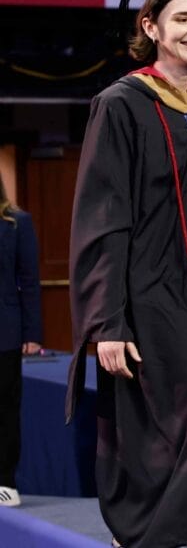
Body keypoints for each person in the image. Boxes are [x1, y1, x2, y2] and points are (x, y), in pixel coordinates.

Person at [66, 0, 187, 548]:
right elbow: (102, 217)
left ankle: (152, 536)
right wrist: (106, 320)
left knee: (167, 433)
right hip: (148, 293)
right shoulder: (121, 104)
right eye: (183, 18)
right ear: (151, 28)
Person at [0, 176, 42, 508]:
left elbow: (29, 280)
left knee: (5, 409)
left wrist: (32, 333)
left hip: (6, 332)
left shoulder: (17, 223)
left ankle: (5, 482)